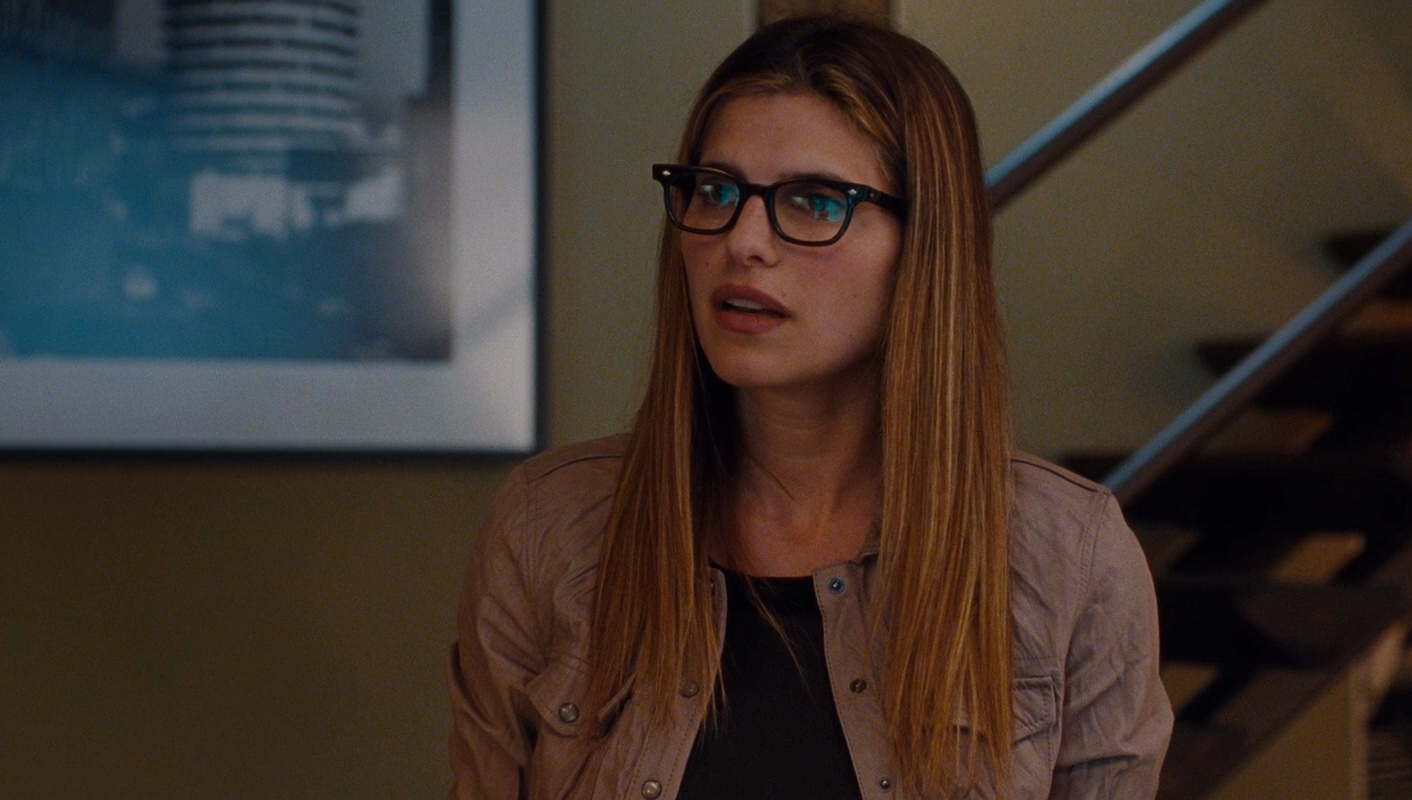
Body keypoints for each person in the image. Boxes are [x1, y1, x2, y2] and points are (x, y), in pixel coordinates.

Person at [448, 15, 1171, 799]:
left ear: (924, 246)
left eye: (816, 203)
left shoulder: (1070, 559)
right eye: (716, 191)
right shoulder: (548, 527)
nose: (744, 241)